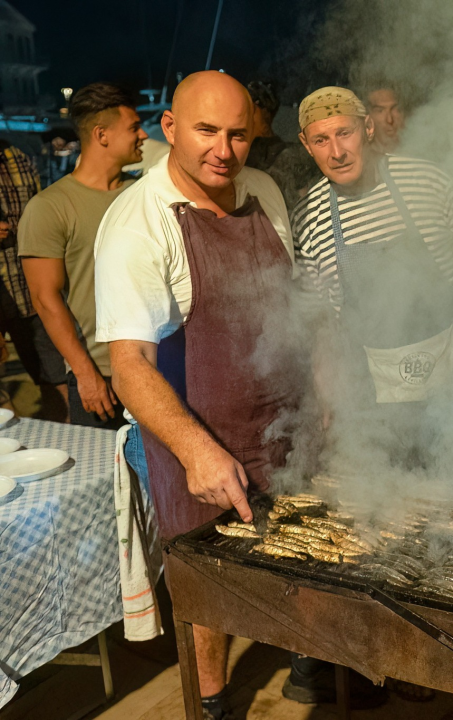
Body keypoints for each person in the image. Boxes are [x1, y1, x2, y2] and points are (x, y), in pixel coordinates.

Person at [288, 86, 453, 703]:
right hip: (372, 388)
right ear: (307, 147)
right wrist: (329, 392)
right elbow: (322, 322)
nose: (337, 151)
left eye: (345, 133)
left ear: (366, 128)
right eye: (321, 140)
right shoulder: (311, 213)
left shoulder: (426, 182)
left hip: (450, 376)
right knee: (388, 519)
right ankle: (396, 651)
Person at [94, 71, 296, 720]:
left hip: (281, 419)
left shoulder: (262, 191)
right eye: (207, 131)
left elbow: (293, 308)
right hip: (195, 434)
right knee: (209, 586)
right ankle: (210, 698)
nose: (223, 149)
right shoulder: (138, 223)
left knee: (299, 554)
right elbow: (128, 366)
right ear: (170, 129)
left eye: (238, 133)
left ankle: (309, 659)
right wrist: (196, 452)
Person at [19, 82, 147, 429]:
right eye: (134, 127)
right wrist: (85, 373)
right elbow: (46, 299)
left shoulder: (146, 195)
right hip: (100, 375)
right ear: (102, 134)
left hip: (156, 368)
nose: (144, 135)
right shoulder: (49, 207)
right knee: (107, 478)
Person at [0, 140, 69, 421]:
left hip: (29, 290)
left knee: (56, 379)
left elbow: (37, 213)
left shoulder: (16, 157)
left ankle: (65, 446)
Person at [244, 79, 320, 211]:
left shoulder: (289, 155)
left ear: (265, 112)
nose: (244, 116)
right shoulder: (239, 154)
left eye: (250, 109)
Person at [364, 84, 406, 154]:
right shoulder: (362, 157)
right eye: (380, 111)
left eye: (394, 109)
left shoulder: (422, 149)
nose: (389, 120)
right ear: (368, 118)